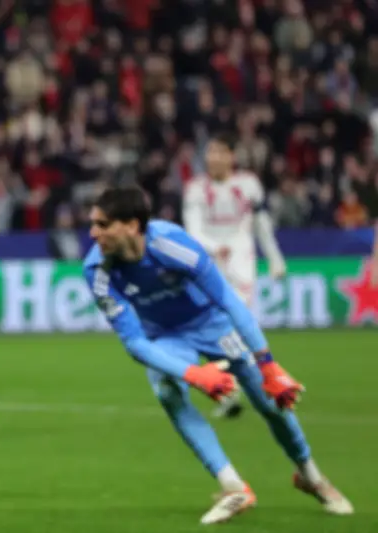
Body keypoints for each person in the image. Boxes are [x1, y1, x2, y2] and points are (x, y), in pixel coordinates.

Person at [84, 185, 353, 525]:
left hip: (211, 323)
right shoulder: (97, 270)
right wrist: (195, 374)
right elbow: (135, 344)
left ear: (132, 225)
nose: (93, 234)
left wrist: (268, 364)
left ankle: (310, 476)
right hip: (164, 336)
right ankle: (233, 486)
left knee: (270, 400)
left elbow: (227, 299)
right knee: (167, 390)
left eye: (103, 224)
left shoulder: (171, 244)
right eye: (93, 224)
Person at [183, 133, 287, 419]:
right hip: (208, 262)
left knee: (237, 325)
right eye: (210, 152)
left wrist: (275, 257)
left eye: (220, 151)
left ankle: (241, 388)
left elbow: (261, 224)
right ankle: (231, 388)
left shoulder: (249, 184)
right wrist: (214, 247)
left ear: (232, 156)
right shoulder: (195, 189)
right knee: (210, 328)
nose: (214, 157)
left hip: (241, 260)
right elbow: (193, 229)